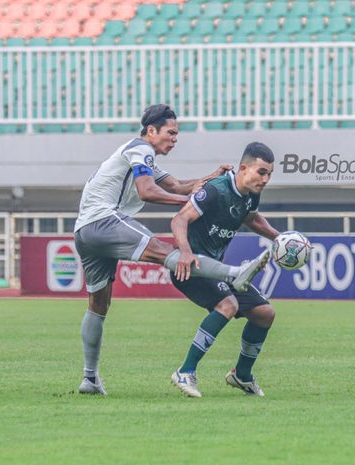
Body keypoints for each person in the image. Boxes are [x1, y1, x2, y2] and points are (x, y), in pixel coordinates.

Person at [74, 104, 270, 395]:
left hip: (84, 230)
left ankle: (90, 378)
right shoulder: (141, 149)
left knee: (98, 305)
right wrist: (191, 204)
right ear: (151, 131)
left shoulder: (144, 157)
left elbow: (178, 185)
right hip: (105, 219)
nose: (175, 139)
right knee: (162, 251)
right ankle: (234, 274)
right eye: (171, 132)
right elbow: (147, 191)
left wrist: (209, 178)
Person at [170, 142, 280, 398]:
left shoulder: (251, 193)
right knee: (228, 305)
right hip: (191, 267)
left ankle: (241, 375)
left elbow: (251, 218)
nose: (266, 179)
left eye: (269, 174)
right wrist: (185, 251)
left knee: (264, 313)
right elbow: (180, 219)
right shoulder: (216, 190)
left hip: (219, 270)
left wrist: (279, 237)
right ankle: (185, 371)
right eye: (261, 172)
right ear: (244, 168)